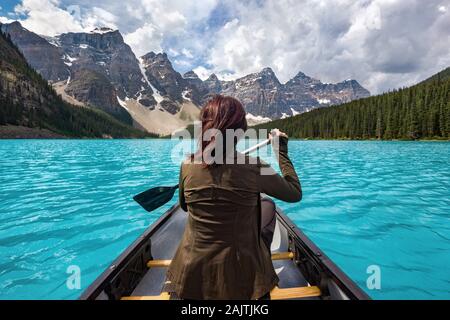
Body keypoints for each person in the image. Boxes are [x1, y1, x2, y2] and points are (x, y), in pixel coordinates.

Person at [165, 95, 302, 299]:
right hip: (244, 279)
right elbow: (294, 193)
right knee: (267, 205)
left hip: (189, 276)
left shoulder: (186, 164)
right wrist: (280, 149)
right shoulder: (256, 166)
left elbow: (184, 207)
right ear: (240, 131)